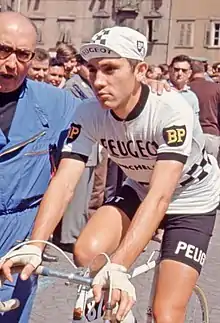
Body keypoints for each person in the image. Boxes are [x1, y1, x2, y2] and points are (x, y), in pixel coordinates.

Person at [2, 26, 217, 323]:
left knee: (166, 313)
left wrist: (119, 266)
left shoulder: (171, 110)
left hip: (191, 198)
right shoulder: (90, 112)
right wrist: (35, 244)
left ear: (140, 70)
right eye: (92, 70)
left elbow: (161, 196)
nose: (98, 81)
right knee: (86, 252)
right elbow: (65, 181)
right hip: (139, 188)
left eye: (111, 69)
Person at [0, 11, 81, 323]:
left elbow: (109, 125)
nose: (11, 63)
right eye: (3, 49)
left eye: (22, 54)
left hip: (20, 232)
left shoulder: (57, 104)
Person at [190, 60, 220, 159]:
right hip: (211, 133)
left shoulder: (187, 89)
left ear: (190, 72)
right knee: (211, 169)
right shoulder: (216, 88)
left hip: (191, 134)